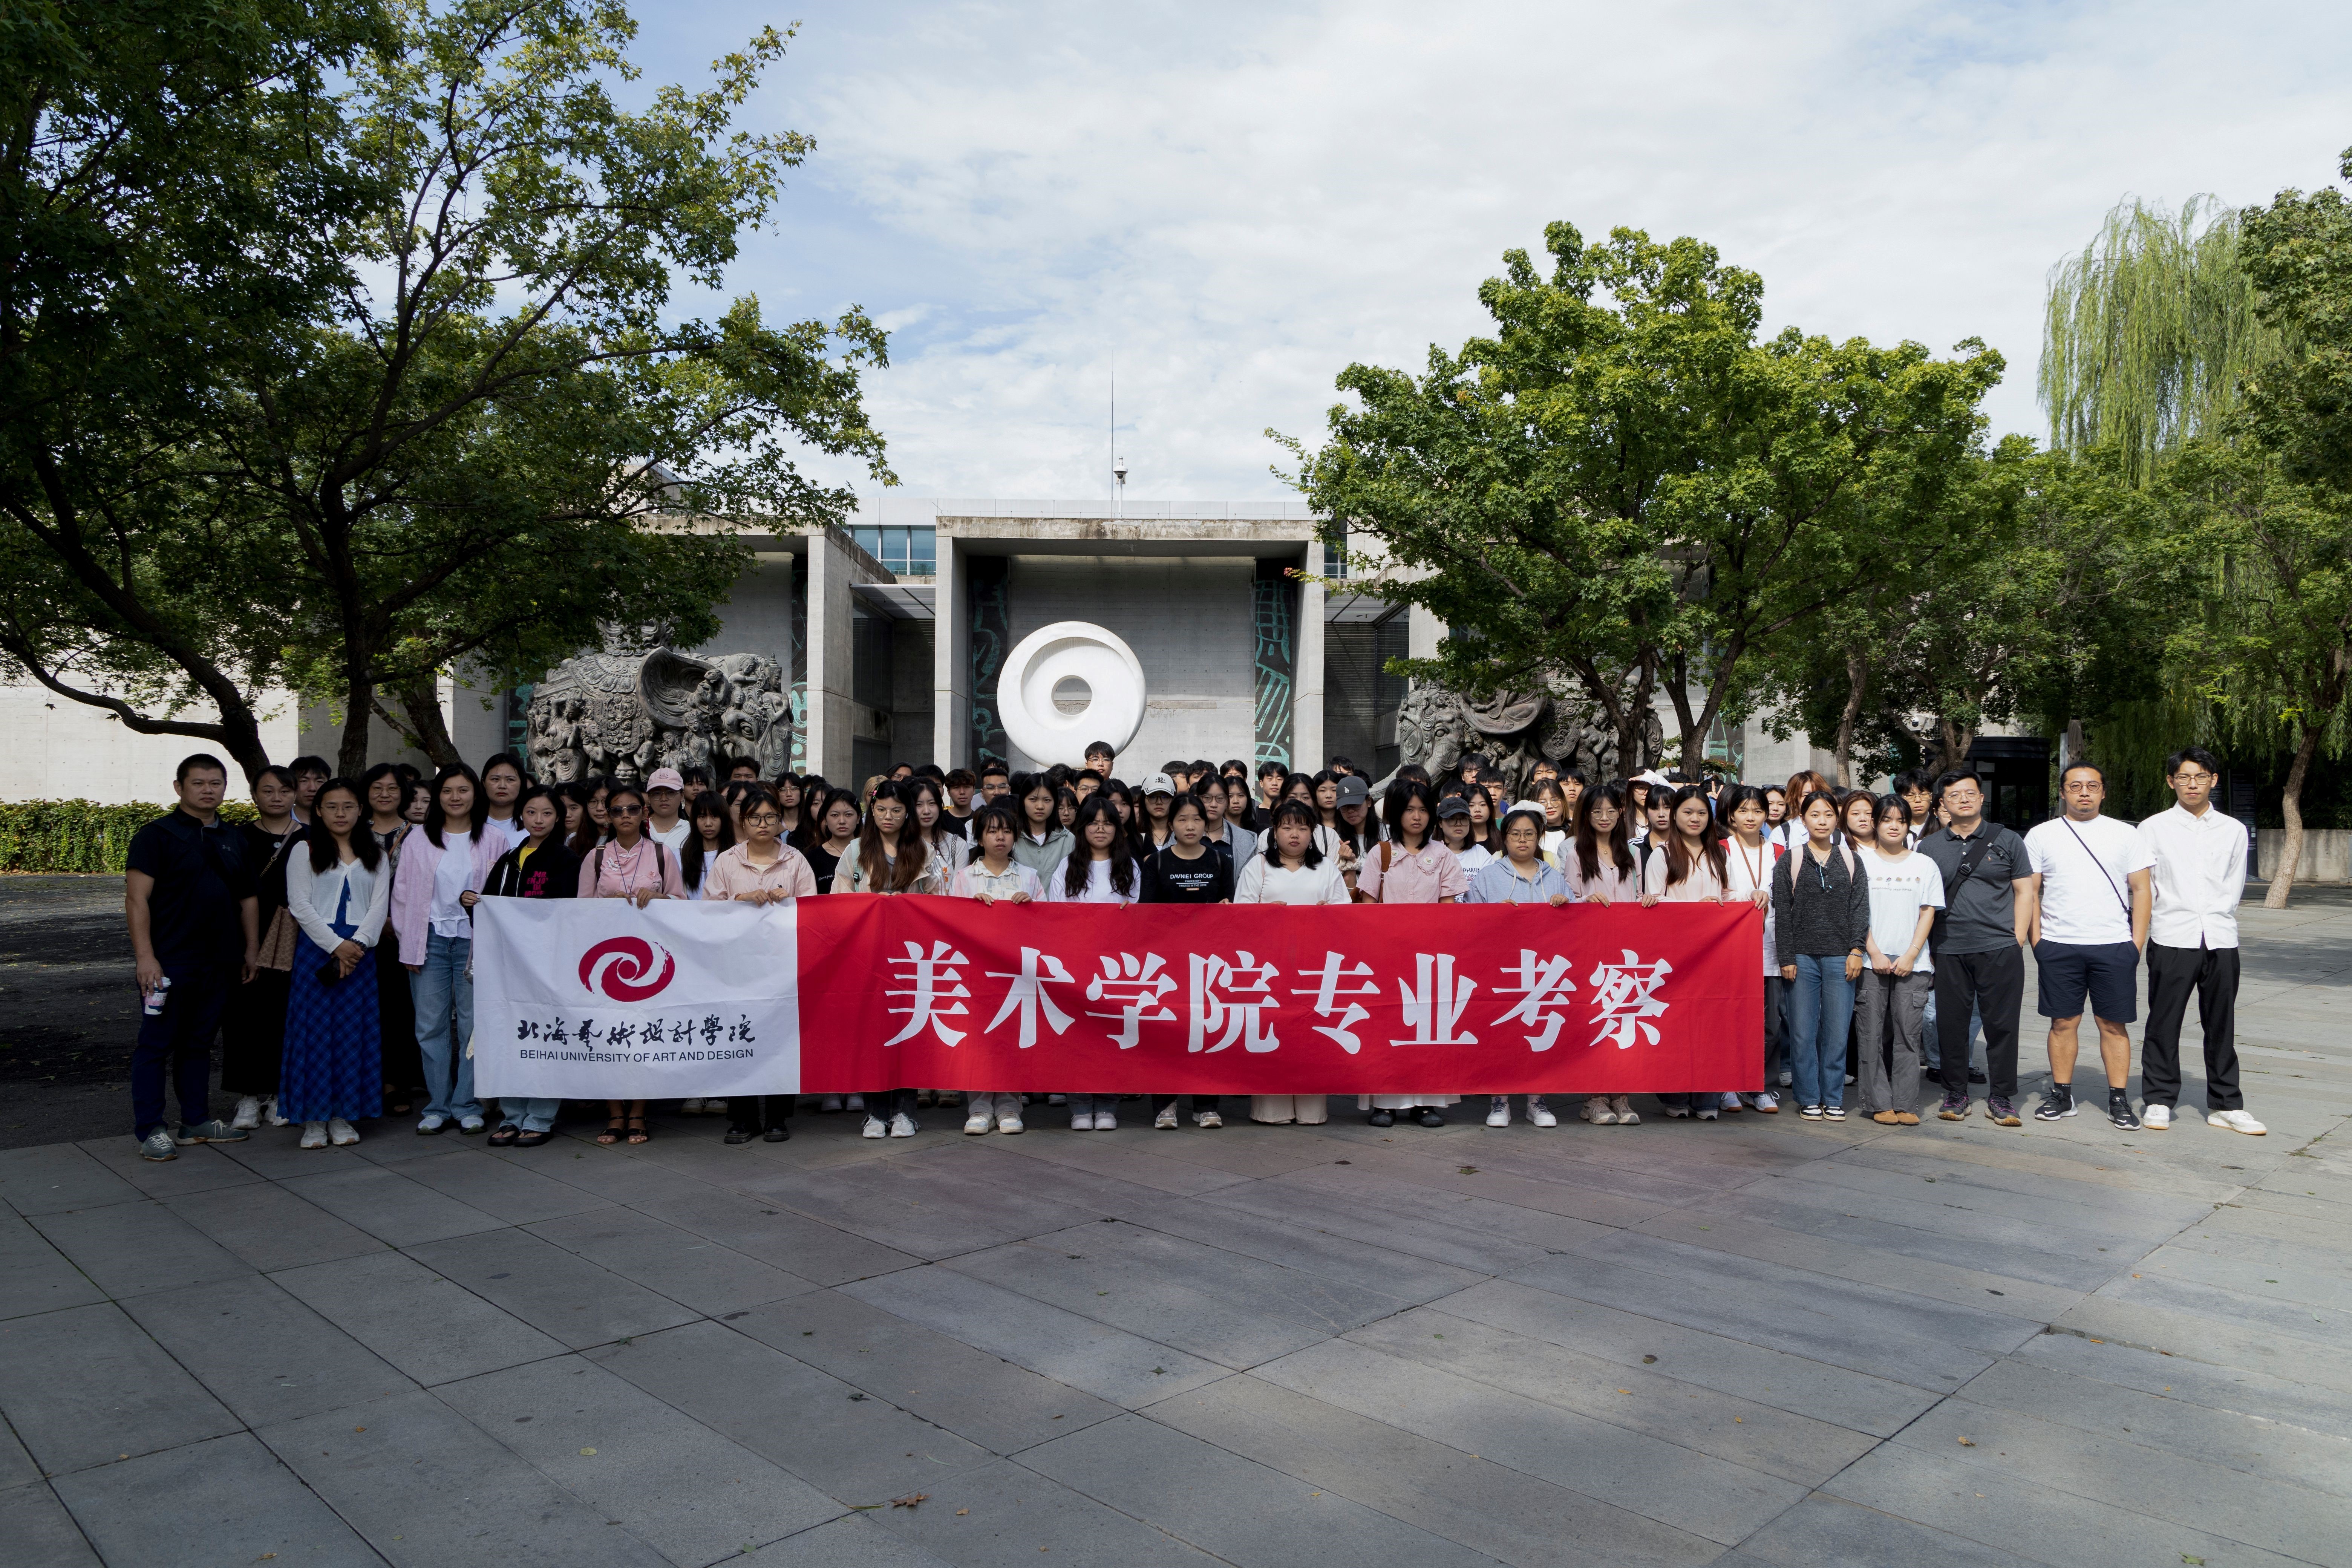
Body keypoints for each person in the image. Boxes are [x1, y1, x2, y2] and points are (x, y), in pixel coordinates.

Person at [124, 754, 259, 1160]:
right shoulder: (156, 836)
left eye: (215, 783)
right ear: (179, 787)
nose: (208, 790)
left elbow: (248, 899)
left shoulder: (233, 837)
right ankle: (151, 1129)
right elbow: (137, 899)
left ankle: (195, 1121)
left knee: (199, 1043)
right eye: (198, 783)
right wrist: (145, 957)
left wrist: (250, 949)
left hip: (220, 960)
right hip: (168, 962)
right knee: (155, 1044)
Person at [2135, 748, 2263, 1135]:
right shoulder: (2152, 828)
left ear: (2214, 780)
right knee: (2164, 1021)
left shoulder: (2233, 829)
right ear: (2171, 781)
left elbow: (2235, 883)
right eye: (2184, 777)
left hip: (2220, 937)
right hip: (2172, 935)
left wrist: (2219, 917)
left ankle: (2226, 1104)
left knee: (2222, 1023)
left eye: (2201, 776)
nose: (2193, 784)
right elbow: (2145, 886)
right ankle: (2159, 1099)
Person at [2023, 762, 2154, 1129]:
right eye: (2076, 786)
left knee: (2113, 1024)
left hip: (2113, 945)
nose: (2084, 792)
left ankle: (2118, 1099)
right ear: (2063, 792)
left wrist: (2136, 943)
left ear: (2103, 792)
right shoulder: (2041, 835)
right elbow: (2030, 890)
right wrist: (2038, 940)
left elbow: (2142, 889)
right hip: (2058, 944)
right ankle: (2062, 1094)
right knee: (2063, 1022)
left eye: (2092, 786)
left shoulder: (2125, 834)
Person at [1353, 780, 1481, 1128]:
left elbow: (1449, 909)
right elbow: (1368, 909)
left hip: (1430, 958)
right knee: (1386, 1027)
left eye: (1423, 810)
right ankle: (1385, 1102)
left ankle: (1426, 1102)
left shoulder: (1443, 856)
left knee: (1428, 1027)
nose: (1417, 817)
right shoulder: (1381, 853)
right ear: (1397, 813)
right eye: (1409, 810)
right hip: (1386, 957)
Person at [389, 764, 505, 1136]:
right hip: (430, 940)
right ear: (438, 796)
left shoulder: (494, 838)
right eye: (448, 790)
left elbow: (503, 894)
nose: (456, 797)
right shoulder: (419, 839)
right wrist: (409, 944)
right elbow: (402, 895)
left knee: (474, 1026)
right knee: (430, 1026)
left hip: (476, 942)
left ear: (476, 794)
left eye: (463, 790)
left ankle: (467, 1104)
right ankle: (438, 1106)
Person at [1914, 770, 2034, 1127]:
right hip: (1949, 948)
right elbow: (1924, 901)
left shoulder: (2008, 840)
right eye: (1955, 795)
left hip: (2000, 947)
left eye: (1970, 793)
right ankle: (1956, 1092)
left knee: (2002, 1026)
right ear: (1943, 804)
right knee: (1952, 1025)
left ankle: (2002, 1097)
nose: (1963, 799)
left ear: (1982, 798)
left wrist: (2019, 937)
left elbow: (2024, 891)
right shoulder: (1930, 847)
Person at [279, 778, 391, 1149]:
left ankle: (343, 1113)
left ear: (360, 810)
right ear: (318, 810)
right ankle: (313, 1119)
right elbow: (300, 904)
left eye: (348, 806)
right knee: (312, 1034)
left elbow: (379, 906)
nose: (340, 813)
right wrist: (336, 946)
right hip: (317, 950)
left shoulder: (376, 853)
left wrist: (356, 945)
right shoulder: (305, 849)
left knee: (350, 1033)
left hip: (361, 954)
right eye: (331, 806)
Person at [700, 787, 812, 1145]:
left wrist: (790, 902)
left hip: (784, 966)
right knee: (739, 1039)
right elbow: (707, 911)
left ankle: (778, 1117)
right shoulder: (727, 861)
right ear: (743, 821)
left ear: (780, 821)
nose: (763, 824)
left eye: (770, 817)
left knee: (780, 1040)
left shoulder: (795, 860)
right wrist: (740, 900)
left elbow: (813, 911)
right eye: (755, 818)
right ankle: (742, 1118)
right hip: (738, 967)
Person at [837, 781, 941, 1137]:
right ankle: (875, 1113)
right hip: (868, 953)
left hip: (911, 955)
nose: (888, 817)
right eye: (881, 810)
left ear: (907, 814)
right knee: (874, 1033)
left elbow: (938, 900)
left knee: (908, 1032)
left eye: (897, 811)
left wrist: (906, 905)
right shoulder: (855, 850)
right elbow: (840, 900)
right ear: (872, 811)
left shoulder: (923, 850)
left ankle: (905, 1113)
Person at [1235, 799, 1345, 1125]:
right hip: (1271, 968)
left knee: (1313, 1035)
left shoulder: (1326, 868)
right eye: (1286, 827)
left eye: (1302, 828)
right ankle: (1272, 1110)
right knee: (1275, 1031)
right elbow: (1240, 914)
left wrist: (1328, 914)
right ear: (1274, 832)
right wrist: (1266, 915)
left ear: (1313, 833)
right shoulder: (1258, 867)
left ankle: (1313, 1110)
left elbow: (1346, 914)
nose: (1294, 834)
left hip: (1316, 967)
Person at [1138, 793, 1234, 1130]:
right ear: (1171, 824)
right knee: (1166, 1032)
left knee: (1208, 1029)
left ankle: (1206, 1104)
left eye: (1196, 819)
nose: (1190, 826)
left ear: (1206, 823)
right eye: (1182, 819)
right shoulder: (1156, 863)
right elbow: (1146, 915)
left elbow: (1231, 909)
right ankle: (1165, 1104)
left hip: (1210, 962)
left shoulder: (1221, 861)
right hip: (1167, 963)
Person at [1773, 789, 1870, 1121]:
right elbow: (1782, 913)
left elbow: (1860, 908)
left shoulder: (1851, 859)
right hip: (1801, 958)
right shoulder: (1790, 859)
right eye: (1815, 815)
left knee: (1837, 1032)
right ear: (1803, 819)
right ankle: (1808, 1097)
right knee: (1802, 1033)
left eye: (1828, 814)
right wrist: (1786, 957)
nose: (1822, 821)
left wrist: (1857, 950)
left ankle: (1833, 1097)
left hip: (1841, 957)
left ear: (1837, 818)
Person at [949, 803, 1043, 1136]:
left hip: (1017, 973)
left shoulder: (1029, 877)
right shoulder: (964, 878)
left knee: (1011, 1039)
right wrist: (970, 910)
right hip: (976, 974)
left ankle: (1009, 1106)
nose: (1000, 837)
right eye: (992, 831)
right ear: (979, 838)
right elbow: (950, 923)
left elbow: (1048, 926)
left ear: (1015, 837)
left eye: (1006, 831)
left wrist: (1031, 907)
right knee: (978, 1039)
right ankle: (978, 1107)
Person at [1642, 785, 1734, 1120]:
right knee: (1676, 1025)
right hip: (1675, 957)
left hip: (1714, 955)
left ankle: (1708, 1098)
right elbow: (1653, 902)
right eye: (1688, 812)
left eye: (1701, 813)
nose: (1695, 819)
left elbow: (1730, 896)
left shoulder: (1719, 854)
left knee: (1711, 1024)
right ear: (1675, 815)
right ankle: (1676, 1095)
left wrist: (1750, 897)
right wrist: (1698, 908)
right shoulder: (1662, 855)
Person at [1048, 795, 1141, 1130]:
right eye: (1093, 823)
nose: (1101, 830)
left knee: (1111, 1037)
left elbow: (1136, 920)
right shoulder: (1067, 867)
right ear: (1082, 828)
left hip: (1115, 968)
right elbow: (1055, 916)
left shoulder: (1129, 867)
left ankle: (1107, 1107)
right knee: (1078, 1038)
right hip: (1076, 965)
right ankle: (1080, 1107)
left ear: (1118, 828)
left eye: (1108, 823)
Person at [1854, 795, 1942, 1127]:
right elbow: (1856, 912)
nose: (1894, 826)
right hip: (1870, 960)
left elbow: (1928, 911)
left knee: (1908, 1034)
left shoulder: (1925, 865)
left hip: (1913, 963)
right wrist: (1874, 951)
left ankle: (1906, 1103)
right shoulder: (1860, 862)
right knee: (1871, 1034)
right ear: (1875, 823)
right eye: (1887, 820)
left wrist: (1911, 954)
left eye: (1901, 821)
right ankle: (1878, 1102)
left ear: (1909, 826)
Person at [225, 766, 301, 1131]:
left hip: (297, 938)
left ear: (295, 794)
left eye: (284, 790)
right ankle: (247, 1095)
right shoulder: (236, 838)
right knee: (244, 1016)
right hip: (247, 936)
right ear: (254, 794)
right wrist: (248, 946)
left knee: (285, 1015)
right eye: (267, 790)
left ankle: (279, 1092)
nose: (276, 797)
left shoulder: (311, 837)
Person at [1718, 783, 1781, 1115]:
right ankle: (1728, 1084)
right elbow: (1717, 893)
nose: (1751, 817)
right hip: (1732, 949)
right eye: (1743, 811)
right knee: (1731, 1018)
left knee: (1769, 1023)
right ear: (1731, 815)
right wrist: (1744, 900)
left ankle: (1761, 1086)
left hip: (1770, 947)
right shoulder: (1721, 850)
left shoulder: (1780, 852)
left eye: (1758, 811)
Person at [1011, 773, 1075, 879]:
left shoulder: (1068, 840)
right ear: (1023, 801)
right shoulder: (1011, 837)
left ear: (1055, 803)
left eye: (1047, 800)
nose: (1040, 806)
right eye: (1033, 799)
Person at [798, 787, 861, 891]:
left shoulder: (871, 853)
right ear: (825, 819)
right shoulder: (812, 858)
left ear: (858, 818)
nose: (842, 821)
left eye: (848, 815)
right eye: (835, 815)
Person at [480, 753, 527, 851]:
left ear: (521, 783)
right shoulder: (469, 823)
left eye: (510, 780)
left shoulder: (532, 825)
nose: (502, 786)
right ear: (484, 783)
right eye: (495, 779)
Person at [643, 767, 692, 852]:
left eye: (670, 793)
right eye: (657, 793)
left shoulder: (691, 830)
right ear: (649, 798)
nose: (664, 799)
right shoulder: (640, 829)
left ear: (682, 796)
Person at [289, 755, 331, 822]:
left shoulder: (338, 821)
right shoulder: (279, 821)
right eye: (304, 781)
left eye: (320, 782)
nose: (312, 788)